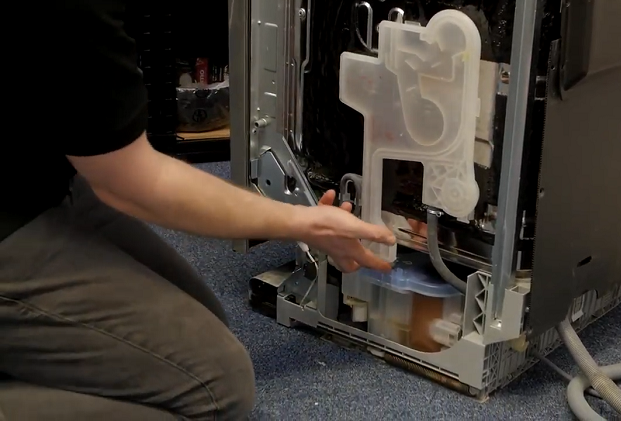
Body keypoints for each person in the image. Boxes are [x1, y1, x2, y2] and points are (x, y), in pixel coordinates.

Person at [0, 1, 396, 420]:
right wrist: (303, 221)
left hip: (45, 174)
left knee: (197, 328)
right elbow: (133, 182)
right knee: (215, 388)